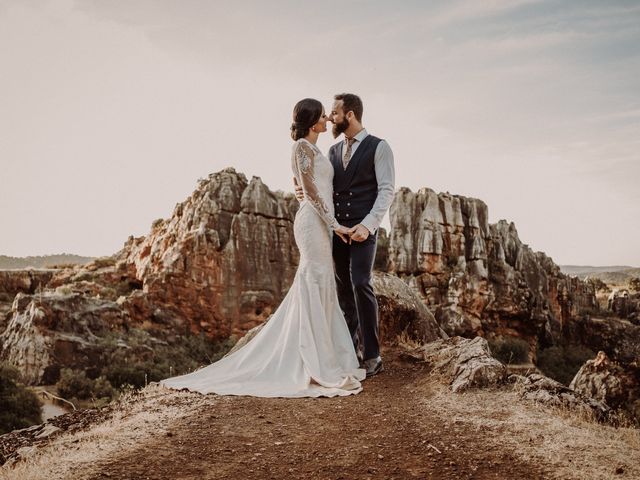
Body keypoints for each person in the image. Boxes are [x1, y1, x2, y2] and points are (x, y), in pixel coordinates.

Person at [158, 98, 366, 398]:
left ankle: (327, 356)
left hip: (323, 222)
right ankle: (310, 359)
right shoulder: (300, 148)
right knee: (315, 278)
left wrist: (328, 217)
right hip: (314, 224)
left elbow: (310, 186)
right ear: (311, 122)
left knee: (321, 281)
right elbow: (307, 190)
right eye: (322, 115)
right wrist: (334, 224)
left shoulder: (317, 150)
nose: (326, 119)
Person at [295, 93, 395, 377]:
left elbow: (387, 190)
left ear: (349, 114)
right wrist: (302, 192)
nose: (331, 118)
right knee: (341, 290)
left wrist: (368, 225)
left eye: (335, 113)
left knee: (361, 282)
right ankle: (349, 352)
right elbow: (323, 187)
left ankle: (372, 354)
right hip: (336, 230)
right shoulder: (333, 151)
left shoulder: (380, 147)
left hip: (364, 228)